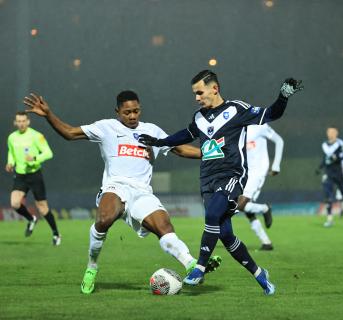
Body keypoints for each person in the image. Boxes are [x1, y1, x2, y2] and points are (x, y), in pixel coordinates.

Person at [23, 90, 221, 294]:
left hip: (142, 192)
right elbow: (69, 133)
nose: (133, 116)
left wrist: (211, 153)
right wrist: (48, 114)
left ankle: (192, 265)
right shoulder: (106, 127)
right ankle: (92, 267)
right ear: (117, 111)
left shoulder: (151, 130)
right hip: (115, 186)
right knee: (104, 219)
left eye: (136, 111)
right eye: (127, 112)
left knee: (164, 226)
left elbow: (179, 149)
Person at [139, 70, 303, 295]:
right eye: (194, 94)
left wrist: (283, 96)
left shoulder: (237, 109)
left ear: (214, 89)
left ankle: (199, 267)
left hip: (232, 174)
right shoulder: (199, 117)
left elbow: (271, 113)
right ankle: (259, 274)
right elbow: (186, 134)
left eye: (200, 92)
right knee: (225, 234)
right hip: (207, 178)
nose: (196, 98)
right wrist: (160, 141)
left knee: (213, 214)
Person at [5, 111, 61, 245]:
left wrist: (35, 158)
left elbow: (48, 153)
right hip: (20, 175)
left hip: (34, 175)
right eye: (18, 121)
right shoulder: (12, 137)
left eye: (24, 121)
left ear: (28, 122)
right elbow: (11, 152)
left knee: (43, 208)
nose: (21, 123)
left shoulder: (36, 136)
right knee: (14, 203)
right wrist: (10, 162)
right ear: (15, 122)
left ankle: (56, 234)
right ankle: (31, 219)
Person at [237, 123, 284, 251]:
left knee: (240, 205)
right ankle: (266, 242)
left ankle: (265, 208)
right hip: (244, 173)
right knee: (246, 210)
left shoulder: (259, 126)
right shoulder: (236, 128)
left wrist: (276, 165)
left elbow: (279, 140)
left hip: (257, 171)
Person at [315, 127, 343, 227]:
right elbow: (325, 159)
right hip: (328, 173)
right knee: (328, 196)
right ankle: (329, 219)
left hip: (338, 173)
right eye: (329, 132)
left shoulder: (340, 143)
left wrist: (337, 157)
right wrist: (319, 168)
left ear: (336, 133)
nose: (330, 134)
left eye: (332, 132)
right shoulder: (325, 145)